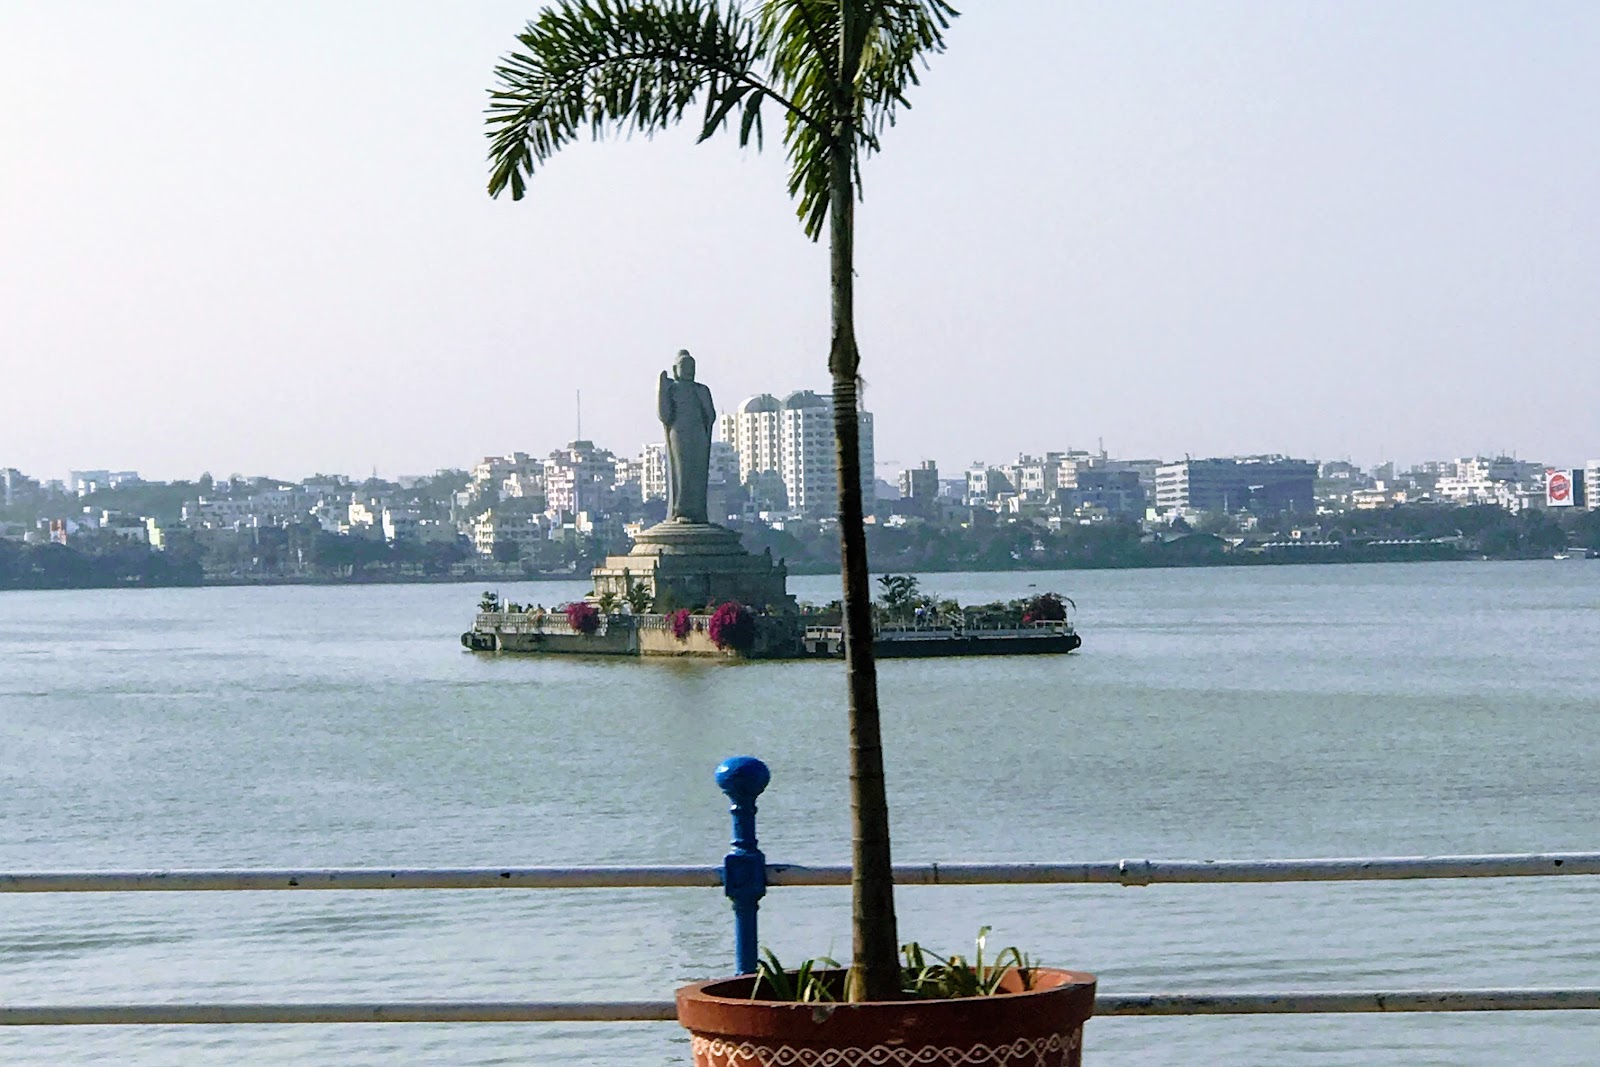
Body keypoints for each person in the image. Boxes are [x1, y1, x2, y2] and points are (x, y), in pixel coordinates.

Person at [657, 350, 716, 523]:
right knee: (681, 472)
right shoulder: (672, 389)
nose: (689, 370)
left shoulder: (701, 389)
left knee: (697, 472)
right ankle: (679, 510)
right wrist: (661, 389)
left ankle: (697, 511)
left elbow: (710, 415)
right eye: (685, 366)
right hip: (679, 434)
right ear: (676, 369)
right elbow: (664, 415)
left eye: (692, 366)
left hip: (698, 434)